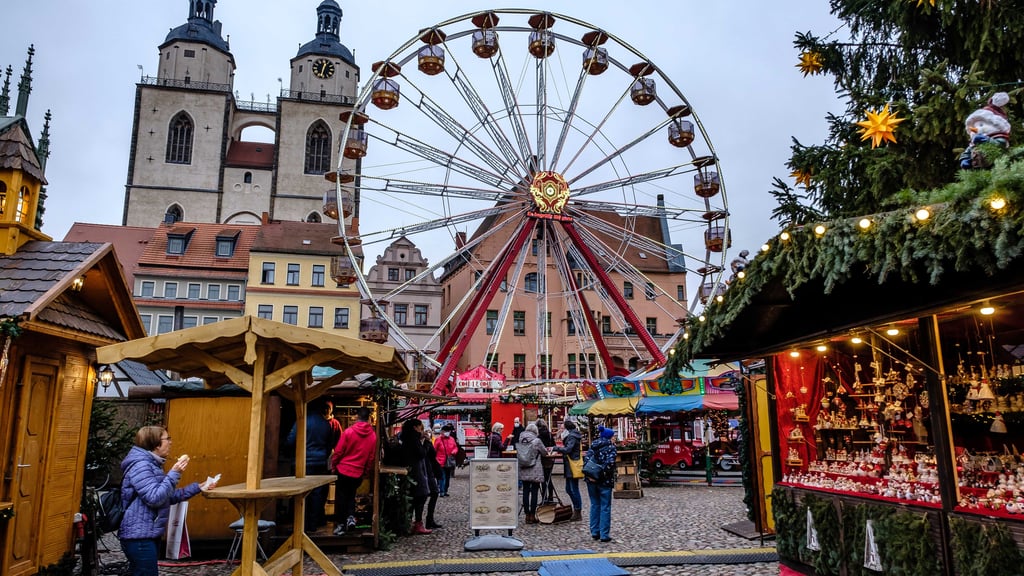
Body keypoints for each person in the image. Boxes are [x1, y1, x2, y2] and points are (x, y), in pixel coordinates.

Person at [118, 426, 216, 576]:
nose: (170, 442)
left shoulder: (151, 464)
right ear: (156, 444)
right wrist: (174, 473)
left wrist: (198, 487)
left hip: (145, 534)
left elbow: (166, 497)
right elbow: (154, 498)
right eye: (167, 439)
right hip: (138, 537)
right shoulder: (141, 465)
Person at [286, 398, 334, 529]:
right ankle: (314, 523)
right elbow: (330, 445)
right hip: (320, 462)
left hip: (303, 462)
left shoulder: (301, 422)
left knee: (302, 492)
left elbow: (290, 441)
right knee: (318, 493)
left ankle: (301, 524)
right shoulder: (326, 424)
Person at [330, 406, 376, 536]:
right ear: (368, 418)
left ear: (357, 417)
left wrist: (334, 465)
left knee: (341, 497)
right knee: (351, 495)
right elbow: (371, 457)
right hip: (358, 472)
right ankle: (350, 517)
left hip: (343, 469)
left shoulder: (349, 432)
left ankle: (341, 524)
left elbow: (338, 451)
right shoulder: (372, 436)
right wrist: (365, 470)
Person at [399, 419, 433, 534]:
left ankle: (408, 523)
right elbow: (421, 453)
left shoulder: (406, 437)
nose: (421, 429)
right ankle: (417, 523)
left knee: (412, 497)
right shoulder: (413, 439)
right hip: (416, 471)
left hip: (409, 470)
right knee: (421, 495)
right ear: (415, 427)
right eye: (420, 427)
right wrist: (427, 442)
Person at [585, 426, 618, 542]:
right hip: (605, 481)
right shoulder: (611, 448)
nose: (615, 438)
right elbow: (610, 465)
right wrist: (601, 475)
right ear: (609, 437)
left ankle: (595, 531)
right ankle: (604, 534)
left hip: (591, 480)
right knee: (605, 507)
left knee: (594, 504)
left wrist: (591, 476)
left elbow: (586, 462)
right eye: (613, 436)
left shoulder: (593, 446)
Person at [551, 420, 583, 521]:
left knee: (573, 488)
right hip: (570, 464)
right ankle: (576, 509)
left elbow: (568, 449)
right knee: (569, 489)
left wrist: (556, 448)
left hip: (572, 464)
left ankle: (578, 510)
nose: (561, 430)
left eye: (562, 428)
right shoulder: (572, 435)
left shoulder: (572, 436)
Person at [517, 423, 546, 524]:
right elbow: (544, 452)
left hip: (524, 468)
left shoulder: (521, 439)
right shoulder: (537, 441)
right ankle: (532, 515)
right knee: (534, 492)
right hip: (535, 469)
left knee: (525, 491)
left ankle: (526, 515)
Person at [422, 428, 442, 529]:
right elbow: (422, 454)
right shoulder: (416, 442)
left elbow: (433, 454)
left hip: (429, 471)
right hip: (422, 471)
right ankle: (419, 521)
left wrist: (428, 442)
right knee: (421, 497)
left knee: (434, 493)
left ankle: (429, 519)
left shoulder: (427, 442)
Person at [433, 423, 459, 497]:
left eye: (448, 431)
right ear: (442, 431)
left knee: (447, 477)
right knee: (442, 477)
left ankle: (445, 490)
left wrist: (454, 451)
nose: (448, 432)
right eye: (446, 431)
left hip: (449, 461)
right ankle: (442, 491)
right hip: (440, 461)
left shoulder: (452, 439)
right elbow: (434, 450)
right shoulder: (438, 440)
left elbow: (455, 447)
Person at [536, 419, 556, 503]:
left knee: (543, 479)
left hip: (541, 458)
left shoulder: (538, 436)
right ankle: (551, 496)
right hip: (550, 458)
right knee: (549, 478)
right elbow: (554, 445)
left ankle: (544, 497)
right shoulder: (550, 434)